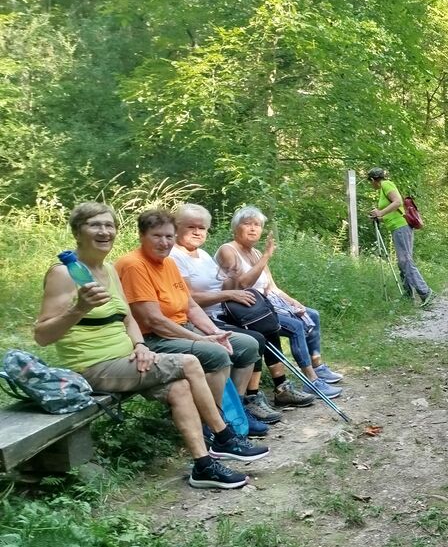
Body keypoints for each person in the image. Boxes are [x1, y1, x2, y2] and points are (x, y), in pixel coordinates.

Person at [34, 202, 266, 490]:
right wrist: (78, 309)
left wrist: (140, 345)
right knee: (189, 363)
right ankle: (224, 436)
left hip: (130, 358)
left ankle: (204, 466)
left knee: (179, 387)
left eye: (109, 225)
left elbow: (128, 318)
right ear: (77, 232)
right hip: (91, 366)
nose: (104, 231)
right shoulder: (64, 274)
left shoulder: (108, 269)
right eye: (95, 225)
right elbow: (42, 336)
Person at [114, 209, 272, 436]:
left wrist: (215, 332)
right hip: (152, 338)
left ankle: (236, 411)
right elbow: (154, 320)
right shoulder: (134, 265)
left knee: (247, 345)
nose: (164, 242)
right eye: (157, 236)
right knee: (216, 354)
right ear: (142, 236)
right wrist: (201, 339)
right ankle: (214, 424)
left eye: (168, 236)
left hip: (182, 328)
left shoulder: (168, 263)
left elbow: (191, 306)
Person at [169, 203, 315, 416]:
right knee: (256, 336)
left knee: (268, 324)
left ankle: (281, 387)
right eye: (191, 227)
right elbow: (189, 300)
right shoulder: (175, 256)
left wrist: (231, 278)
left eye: (202, 228)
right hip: (206, 317)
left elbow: (228, 286)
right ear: (176, 227)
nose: (197, 232)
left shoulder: (202, 255)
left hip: (226, 311)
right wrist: (230, 293)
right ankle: (250, 398)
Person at [215, 206, 343, 401]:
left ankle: (317, 366)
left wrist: (294, 303)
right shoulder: (228, 250)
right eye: (247, 224)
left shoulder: (256, 253)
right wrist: (266, 256)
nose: (253, 228)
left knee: (311, 314)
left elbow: (271, 287)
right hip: (245, 311)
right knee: (295, 326)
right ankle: (311, 381)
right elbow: (243, 284)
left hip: (264, 306)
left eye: (257, 225)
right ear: (235, 227)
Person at [367, 167, 433, 307]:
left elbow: (397, 202)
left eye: (370, 181)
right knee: (402, 262)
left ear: (373, 180)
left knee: (405, 261)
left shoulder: (386, 184)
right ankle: (408, 295)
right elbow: (393, 212)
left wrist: (380, 212)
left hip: (401, 227)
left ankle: (425, 292)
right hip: (397, 227)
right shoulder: (384, 188)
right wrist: (380, 218)